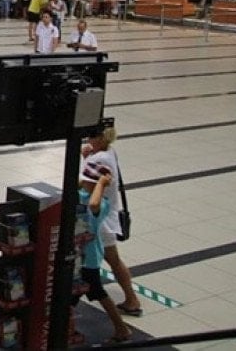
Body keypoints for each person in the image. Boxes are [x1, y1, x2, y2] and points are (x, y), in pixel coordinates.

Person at [82, 124, 142, 316]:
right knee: (113, 260)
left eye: (91, 137)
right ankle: (131, 298)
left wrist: (86, 159)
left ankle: (132, 299)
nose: (88, 140)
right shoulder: (110, 151)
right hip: (108, 213)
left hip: (101, 220)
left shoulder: (99, 158)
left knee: (113, 260)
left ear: (101, 139)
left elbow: (86, 185)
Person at [76, 160, 132, 343]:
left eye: (87, 181)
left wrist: (100, 183)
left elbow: (93, 205)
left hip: (90, 258)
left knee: (97, 292)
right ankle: (66, 327)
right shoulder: (83, 194)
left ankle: (122, 329)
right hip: (79, 256)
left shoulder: (103, 204)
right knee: (73, 293)